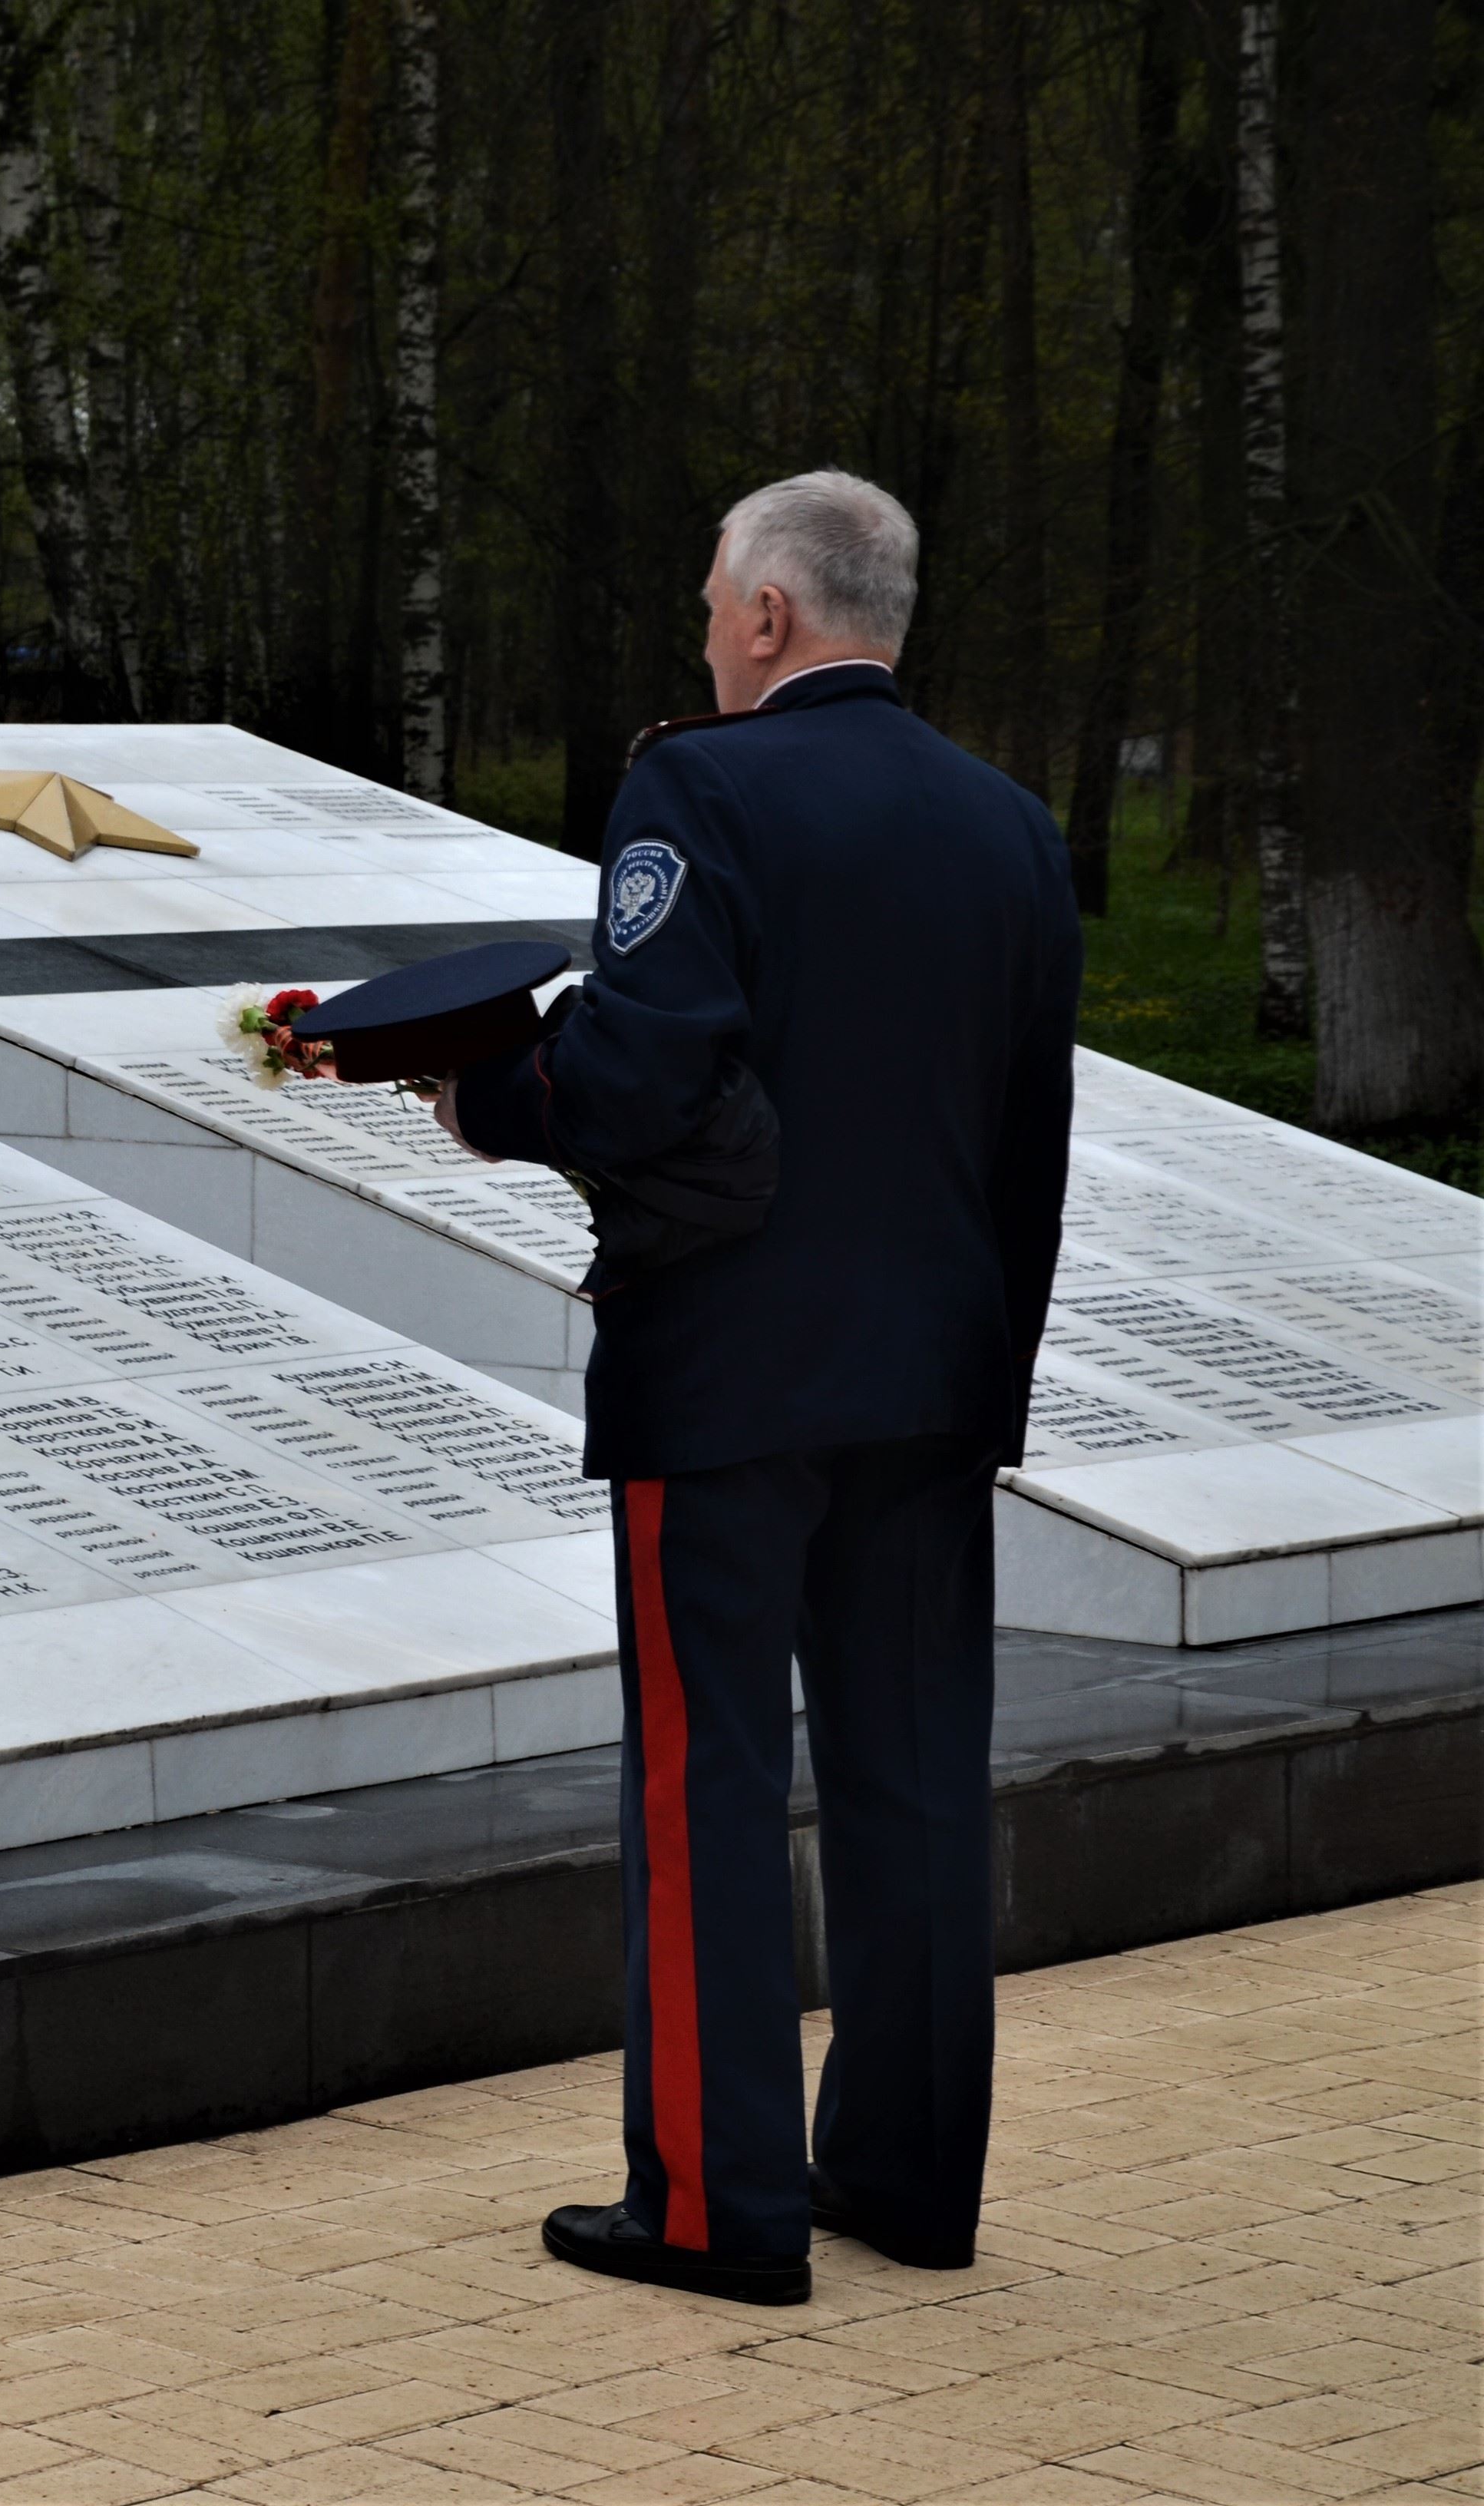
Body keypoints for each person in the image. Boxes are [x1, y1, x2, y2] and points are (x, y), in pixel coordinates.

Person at [435, 469, 1082, 2306]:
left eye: (716, 602)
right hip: (934, 1377)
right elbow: (1027, 1138)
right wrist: (992, 1379)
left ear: (771, 617)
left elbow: (638, 1084)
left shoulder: (698, 793)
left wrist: (478, 1096)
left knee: (708, 1785)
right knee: (913, 1788)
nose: (708, 633)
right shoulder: (1008, 827)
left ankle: (719, 2211)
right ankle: (904, 2182)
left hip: (724, 1378)